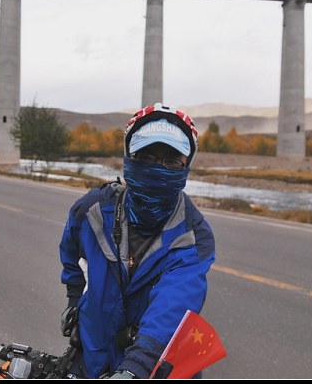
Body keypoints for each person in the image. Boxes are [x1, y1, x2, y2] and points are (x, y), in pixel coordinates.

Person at [58, 103, 216, 379]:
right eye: (146, 157)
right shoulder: (92, 210)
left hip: (154, 368)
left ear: (186, 166)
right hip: (90, 358)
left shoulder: (193, 235)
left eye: (171, 160)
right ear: (128, 157)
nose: (157, 168)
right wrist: (75, 303)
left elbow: (174, 305)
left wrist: (136, 367)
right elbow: (72, 256)